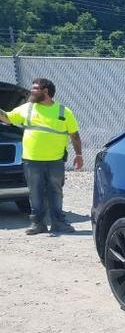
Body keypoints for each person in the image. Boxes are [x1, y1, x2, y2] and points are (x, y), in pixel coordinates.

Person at [0, 78, 83, 235]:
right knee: (35, 193)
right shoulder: (28, 108)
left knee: (55, 193)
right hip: (32, 160)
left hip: (55, 160)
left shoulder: (63, 112)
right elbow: (7, 118)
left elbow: (75, 135)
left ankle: (59, 223)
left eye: (35, 88)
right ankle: (38, 224)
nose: (32, 91)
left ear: (45, 91)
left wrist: (79, 155)